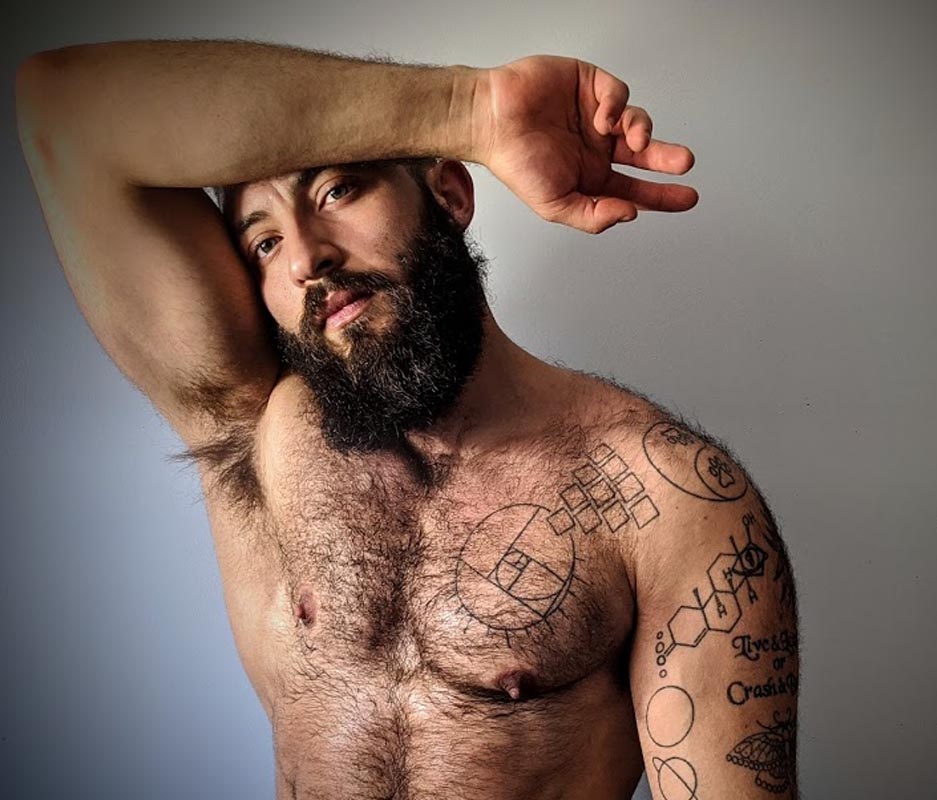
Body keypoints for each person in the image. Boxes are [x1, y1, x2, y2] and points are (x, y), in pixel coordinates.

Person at [16, 40, 799, 800]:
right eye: (264, 242)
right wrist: (471, 106)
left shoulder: (667, 498)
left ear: (450, 195)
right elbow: (64, 107)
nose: (306, 260)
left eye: (338, 191)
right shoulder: (262, 433)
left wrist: (477, 113)